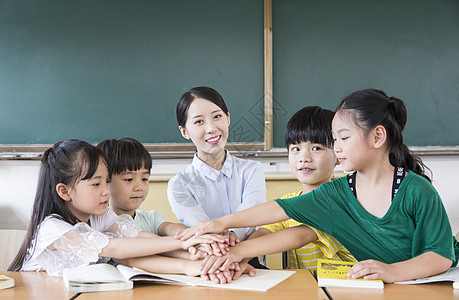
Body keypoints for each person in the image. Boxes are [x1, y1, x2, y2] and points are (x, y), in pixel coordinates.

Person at [177, 89, 459, 283]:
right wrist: (220, 225)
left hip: (425, 282)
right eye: (333, 139)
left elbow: (440, 256)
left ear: (377, 137)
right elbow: (279, 210)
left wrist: (392, 271)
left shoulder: (416, 190)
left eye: (343, 138)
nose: (337, 147)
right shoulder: (337, 193)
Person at [8, 139, 223, 277]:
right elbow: (115, 248)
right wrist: (187, 242)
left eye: (108, 181)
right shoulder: (54, 229)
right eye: (96, 183)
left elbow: (141, 237)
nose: (105, 191)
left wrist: (196, 253)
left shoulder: (100, 217)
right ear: (65, 191)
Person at [199, 106, 355, 275]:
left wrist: (238, 252)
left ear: (338, 155)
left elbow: (300, 235)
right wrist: (238, 262)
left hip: (346, 291)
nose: (304, 158)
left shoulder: (343, 201)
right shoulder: (290, 201)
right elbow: (264, 232)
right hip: (307, 288)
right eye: (295, 149)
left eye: (316, 148)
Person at [167, 86, 267, 244]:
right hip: (206, 258)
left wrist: (234, 234)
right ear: (184, 131)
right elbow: (201, 228)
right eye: (199, 121)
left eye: (217, 116)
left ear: (228, 119)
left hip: (249, 256)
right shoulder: (179, 185)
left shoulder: (251, 170)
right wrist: (222, 239)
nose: (211, 128)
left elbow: (253, 213)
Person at [97, 137, 226, 258]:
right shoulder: (98, 223)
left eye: (144, 179)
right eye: (129, 179)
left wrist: (198, 237)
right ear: (106, 181)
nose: (139, 187)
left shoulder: (151, 218)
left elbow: (172, 228)